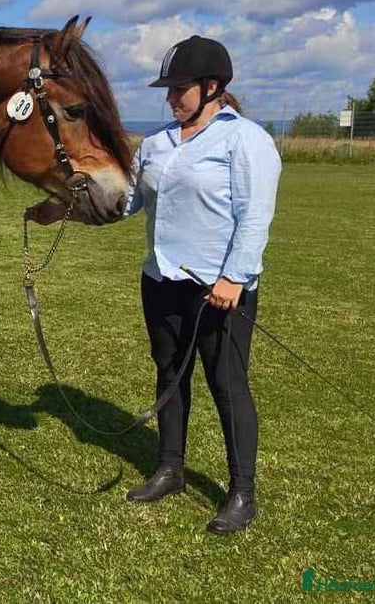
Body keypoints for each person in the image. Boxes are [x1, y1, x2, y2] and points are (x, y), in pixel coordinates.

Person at [118, 35, 282, 534]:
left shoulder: (245, 140)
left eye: (179, 88)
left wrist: (234, 277)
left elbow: (254, 215)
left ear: (212, 86)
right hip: (160, 279)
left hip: (218, 289)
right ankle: (171, 468)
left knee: (226, 385)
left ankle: (242, 492)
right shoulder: (156, 143)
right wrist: (71, 205)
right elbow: (129, 201)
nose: (171, 97)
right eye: (168, 89)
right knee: (169, 374)